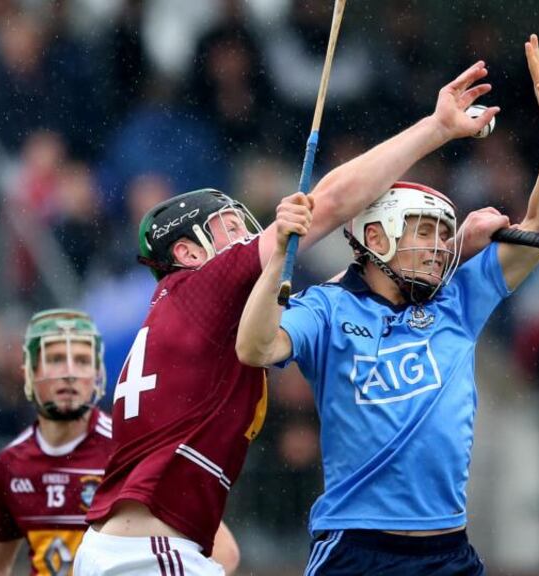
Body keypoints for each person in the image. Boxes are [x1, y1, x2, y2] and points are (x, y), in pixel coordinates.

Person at [73, 60, 501, 576]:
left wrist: (449, 249)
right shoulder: (204, 287)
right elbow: (335, 202)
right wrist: (436, 128)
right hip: (150, 553)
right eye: (229, 226)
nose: (247, 235)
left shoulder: (181, 314)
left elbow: (365, 279)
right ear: (187, 253)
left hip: (133, 547)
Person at [235, 34, 539, 575]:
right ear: (374, 235)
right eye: (423, 231)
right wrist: (279, 253)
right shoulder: (326, 308)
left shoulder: (459, 301)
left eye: (444, 234)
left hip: (447, 549)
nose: (439, 246)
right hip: (355, 548)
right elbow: (255, 347)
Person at [0, 309, 238, 576]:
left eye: (82, 360)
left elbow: (225, 554)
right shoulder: (9, 466)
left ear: (98, 373)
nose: (70, 373)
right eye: (55, 359)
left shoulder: (131, 449)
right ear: (28, 372)